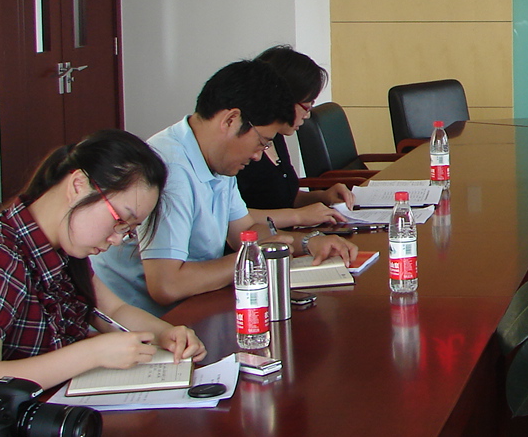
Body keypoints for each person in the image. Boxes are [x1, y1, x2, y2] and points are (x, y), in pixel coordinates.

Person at [93, 59, 356, 315]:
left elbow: (244, 232)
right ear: (231, 120)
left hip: (196, 305)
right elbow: (167, 285)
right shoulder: (170, 170)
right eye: (261, 142)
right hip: (146, 322)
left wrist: (311, 242)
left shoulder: (217, 157)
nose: (258, 156)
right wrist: (256, 257)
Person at [0, 130, 205, 389]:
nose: (117, 240)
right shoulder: (4, 256)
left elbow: (114, 310)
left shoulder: (64, 249)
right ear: (78, 185)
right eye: (119, 220)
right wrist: (92, 354)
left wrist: (165, 333)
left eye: (128, 230)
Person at [236, 45, 352, 224]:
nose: (307, 115)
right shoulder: (240, 145)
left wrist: (323, 197)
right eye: (307, 106)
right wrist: (298, 216)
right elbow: (232, 218)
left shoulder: (276, 136)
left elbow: (284, 197)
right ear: (283, 100)